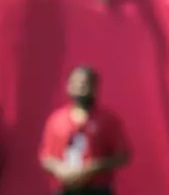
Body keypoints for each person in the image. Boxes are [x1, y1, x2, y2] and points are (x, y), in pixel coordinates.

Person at [40, 67, 130, 195]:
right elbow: (46, 157)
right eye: (76, 83)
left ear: (95, 88)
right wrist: (60, 170)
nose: (81, 86)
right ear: (68, 86)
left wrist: (92, 168)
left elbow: (122, 155)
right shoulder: (56, 120)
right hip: (65, 188)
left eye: (86, 83)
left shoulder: (108, 120)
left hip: (97, 188)